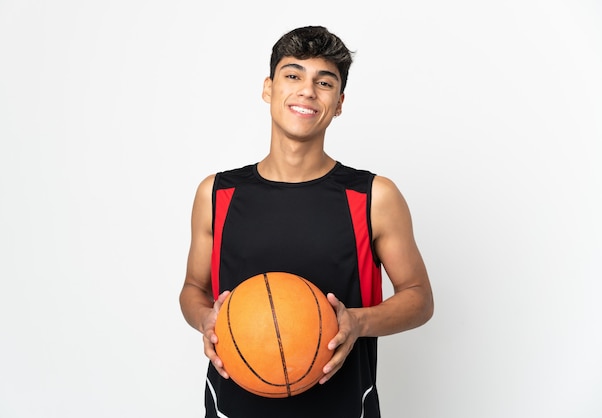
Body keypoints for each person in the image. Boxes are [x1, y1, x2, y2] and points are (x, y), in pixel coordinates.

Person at [179, 25, 434, 418]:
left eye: (324, 82)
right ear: (268, 88)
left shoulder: (372, 197)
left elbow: (419, 297)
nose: (307, 91)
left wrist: (357, 322)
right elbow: (194, 289)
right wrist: (206, 319)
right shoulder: (216, 194)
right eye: (293, 75)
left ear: (340, 102)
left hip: (343, 407)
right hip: (233, 408)